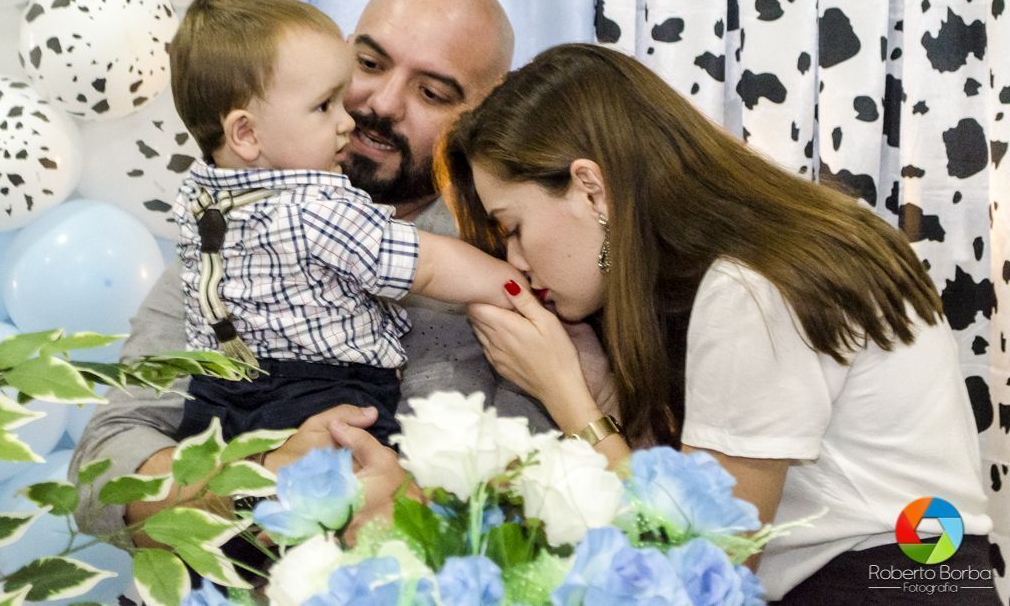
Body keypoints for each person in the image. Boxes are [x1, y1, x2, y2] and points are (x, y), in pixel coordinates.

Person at [425, 43, 994, 602]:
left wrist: (566, 395)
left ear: (591, 190)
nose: (516, 261)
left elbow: (705, 566)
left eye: (514, 227)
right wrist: (598, 384)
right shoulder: (786, 249)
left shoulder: (752, 288)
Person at [71, 0, 565, 545]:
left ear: (484, 114)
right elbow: (101, 475)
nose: (380, 104)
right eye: (369, 64)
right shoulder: (233, 234)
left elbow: (546, 488)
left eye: (432, 93)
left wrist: (412, 506)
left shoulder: (509, 253)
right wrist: (259, 478)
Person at [167, 0, 520, 446]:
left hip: (213, 398)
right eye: (367, 66)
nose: (352, 119)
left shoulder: (199, 200)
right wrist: (515, 285)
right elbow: (430, 265)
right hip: (319, 393)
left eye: (431, 93)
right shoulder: (320, 208)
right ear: (247, 133)